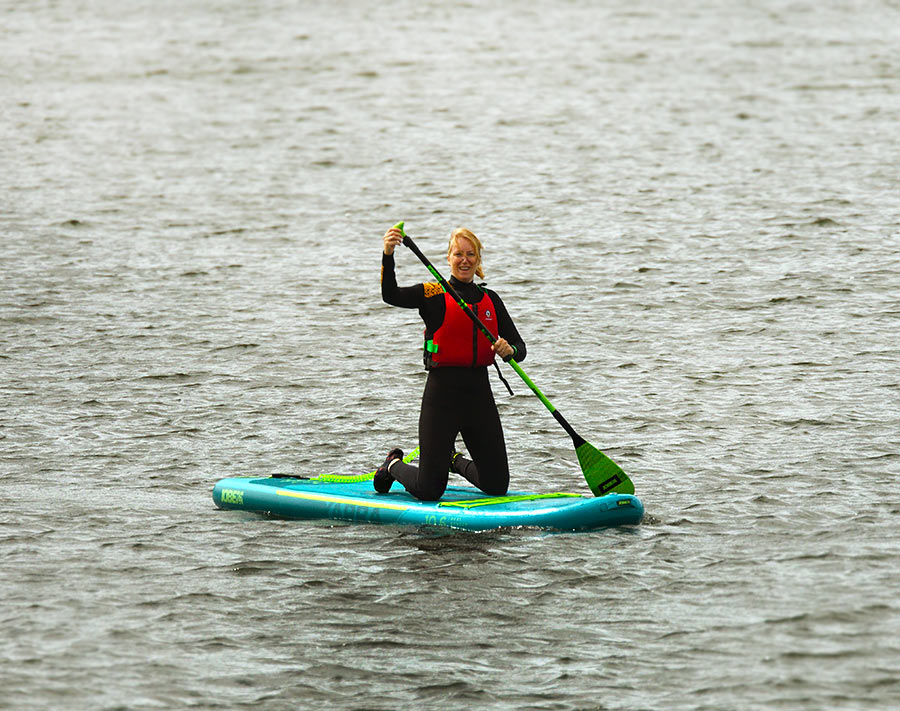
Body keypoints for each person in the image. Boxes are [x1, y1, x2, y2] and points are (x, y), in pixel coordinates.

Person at [374, 225, 527, 501]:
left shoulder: (490, 300)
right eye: (458, 254)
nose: (464, 260)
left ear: (478, 260)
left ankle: (453, 461)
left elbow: (521, 348)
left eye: (471, 254)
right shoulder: (432, 294)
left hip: (479, 396)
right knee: (429, 490)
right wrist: (388, 254)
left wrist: (510, 349)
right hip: (441, 398)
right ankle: (393, 465)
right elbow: (390, 295)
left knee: (496, 485)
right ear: (448, 258)